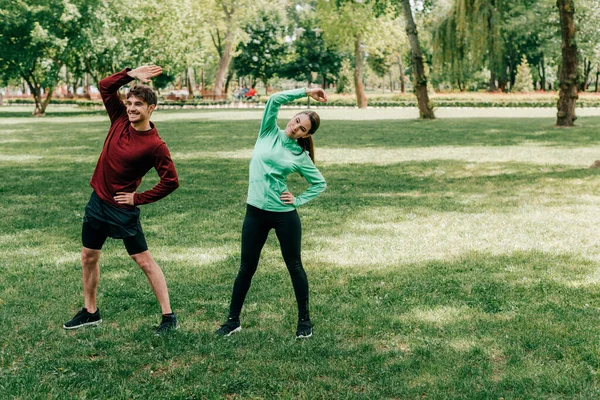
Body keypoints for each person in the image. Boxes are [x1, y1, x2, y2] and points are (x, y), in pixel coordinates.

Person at [63, 65, 180, 334]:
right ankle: (90, 312)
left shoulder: (155, 145)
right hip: (97, 203)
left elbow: (171, 181)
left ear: (151, 108)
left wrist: (137, 198)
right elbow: (105, 86)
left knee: (144, 261)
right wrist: (130, 74)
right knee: (88, 256)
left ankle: (168, 316)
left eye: (138, 104)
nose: (131, 108)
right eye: (129, 102)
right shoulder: (118, 119)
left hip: (122, 210)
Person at [216, 87, 328, 339]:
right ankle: (232, 321)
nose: (295, 127)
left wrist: (298, 199)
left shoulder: (299, 154)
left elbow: (319, 183)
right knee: (246, 267)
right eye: (296, 120)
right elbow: (275, 99)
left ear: (305, 135)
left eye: (302, 129)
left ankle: (304, 322)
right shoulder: (268, 131)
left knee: (294, 266)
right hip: (255, 212)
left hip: (283, 214)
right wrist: (307, 91)